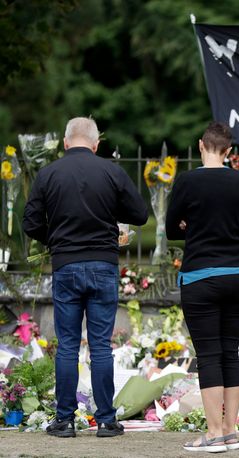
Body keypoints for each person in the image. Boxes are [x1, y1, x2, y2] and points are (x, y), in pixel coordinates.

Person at [23, 117, 148, 438]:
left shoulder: (48, 174)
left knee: (66, 345)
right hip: (103, 265)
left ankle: (64, 421)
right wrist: (107, 211)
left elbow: (30, 222)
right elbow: (139, 215)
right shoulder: (111, 172)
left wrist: (55, 239)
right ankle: (106, 420)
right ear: (96, 144)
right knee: (101, 347)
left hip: (65, 265)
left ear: (66, 143)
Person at [166, 122, 239, 453]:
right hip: (236, 275)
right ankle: (230, 431)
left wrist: (190, 224)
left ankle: (213, 433)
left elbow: (173, 227)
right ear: (229, 151)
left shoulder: (188, 180)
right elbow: (229, 217)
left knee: (209, 355)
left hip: (201, 276)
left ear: (201, 145)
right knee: (230, 352)